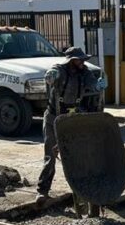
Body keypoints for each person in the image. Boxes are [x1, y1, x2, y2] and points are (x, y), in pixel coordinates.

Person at [35, 46, 100, 203]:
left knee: (77, 156)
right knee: (50, 156)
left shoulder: (84, 72)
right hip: (53, 118)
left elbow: (92, 83)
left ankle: (82, 190)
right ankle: (42, 190)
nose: (83, 62)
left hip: (71, 119)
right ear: (72, 60)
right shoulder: (60, 70)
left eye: (84, 60)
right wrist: (51, 76)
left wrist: (98, 85)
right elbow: (51, 75)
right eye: (80, 60)